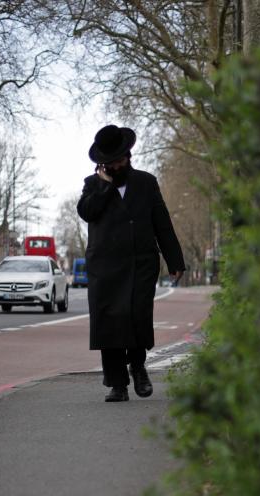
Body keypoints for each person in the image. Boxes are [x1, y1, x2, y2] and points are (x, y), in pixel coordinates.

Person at [76, 124, 185, 402]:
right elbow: (86, 212)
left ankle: (138, 368)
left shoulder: (146, 182)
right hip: (105, 266)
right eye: (109, 163)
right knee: (109, 322)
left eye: (119, 160)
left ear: (128, 156)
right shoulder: (93, 184)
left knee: (137, 316)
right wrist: (103, 185)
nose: (115, 166)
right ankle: (117, 384)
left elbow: (161, 221)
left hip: (141, 263)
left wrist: (174, 259)